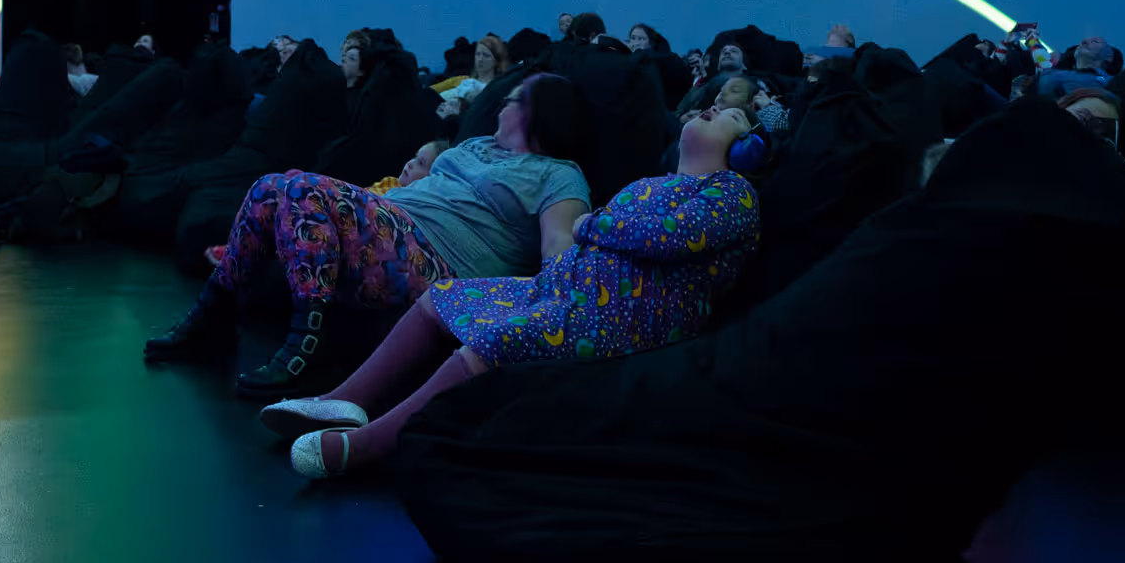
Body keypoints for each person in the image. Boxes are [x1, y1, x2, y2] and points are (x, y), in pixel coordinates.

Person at [264, 105, 764, 478]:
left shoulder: (732, 192)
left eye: (732, 114)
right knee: (443, 297)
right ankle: (346, 399)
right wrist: (586, 245)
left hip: (617, 321)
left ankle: (371, 444)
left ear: (748, 147)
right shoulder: (650, 184)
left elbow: (673, 238)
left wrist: (592, 226)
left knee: (500, 337)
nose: (714, 107)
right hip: (566, 291)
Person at [142, 74, 593, 397]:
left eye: (513, 100)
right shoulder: (476, 147)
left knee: (301, 186)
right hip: (390, 226)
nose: (500, 106)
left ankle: (310, 350)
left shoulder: (558, 174)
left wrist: (546, 312)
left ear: (539, 115)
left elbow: (559, 247)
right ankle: (213, 320)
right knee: (269, 187)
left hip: (441, 262)